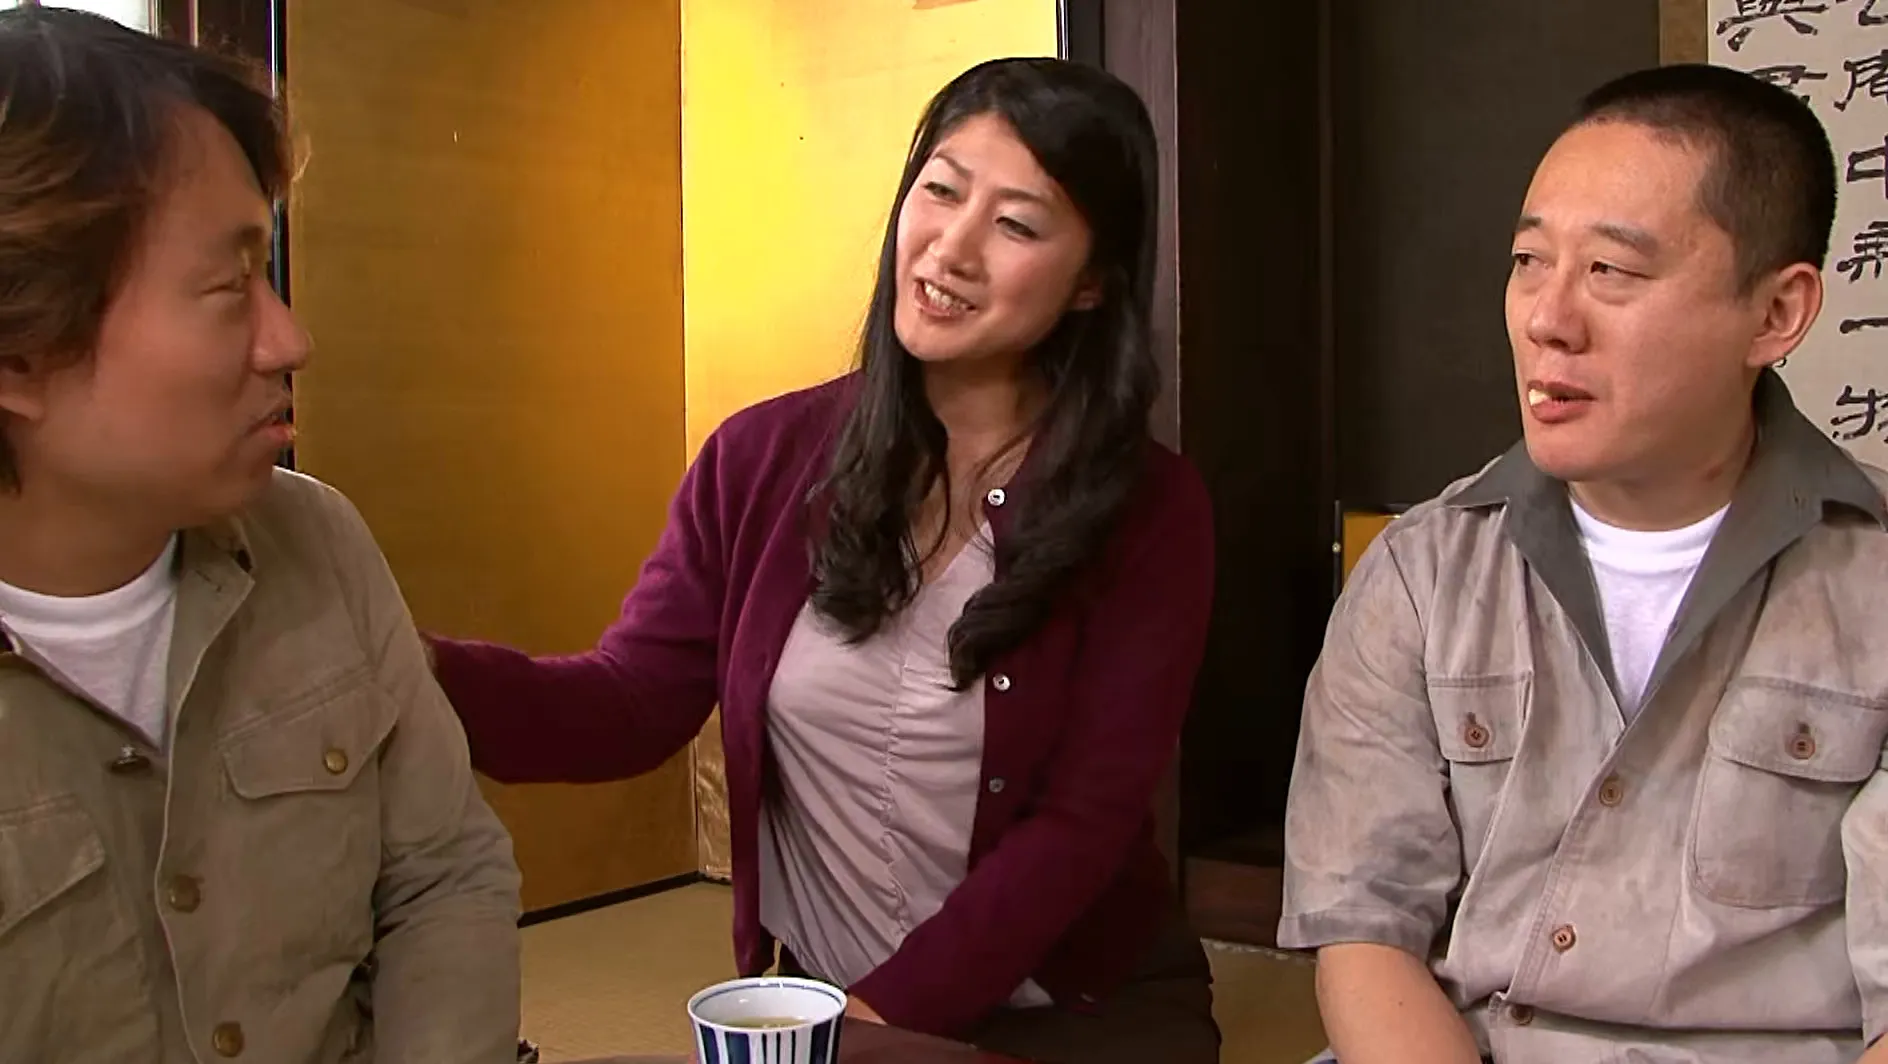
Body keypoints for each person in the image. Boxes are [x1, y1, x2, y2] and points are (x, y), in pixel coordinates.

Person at [427, 57, 1220, 1064]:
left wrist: (864, 1027)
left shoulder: (1149, 510)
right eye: (940, 190)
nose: (951, 248)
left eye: (1017, 225)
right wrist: (414, 673)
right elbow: (628, 702)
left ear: (1092, 282)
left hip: (1072, 1012)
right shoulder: (760, 458)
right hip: (832, 1015)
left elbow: (1082, 823)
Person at [1280, 62, 1888, 1064]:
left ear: (1776, 314)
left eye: (1611, 270)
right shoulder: (1421, 574)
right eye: (1529, 260)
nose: (1546, 319)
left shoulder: (1869, 580)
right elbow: (1363, 934)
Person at [0, 9, 523, 1062]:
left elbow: (444, 876)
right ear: (20, 347)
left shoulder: (314, 536)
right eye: (225, 286)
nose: (290, 338)